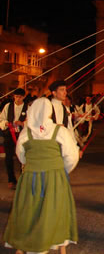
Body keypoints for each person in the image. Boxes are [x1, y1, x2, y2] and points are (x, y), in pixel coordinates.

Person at [4, 97, 79, 254]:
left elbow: (21, 156)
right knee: (55, 209)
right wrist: (60, 169)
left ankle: (28, 243)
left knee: (29, 210)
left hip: (31, 177)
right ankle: (56, 240)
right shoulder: (61, 131)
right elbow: (71, 157)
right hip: (55, 177)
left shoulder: (26, 133)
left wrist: (34, 165)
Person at [0, 88, 27, 189]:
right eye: (16, 97)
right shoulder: (8, 106)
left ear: (24, 97)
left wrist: (23, 123)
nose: (18, 99)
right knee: (8, 158)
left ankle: (23, 178)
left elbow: (32, 121)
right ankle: (11, 179)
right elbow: (1, 118)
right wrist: (5, 123)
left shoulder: (27, 107)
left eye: (20, 97)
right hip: (9, 135)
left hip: (22, 135)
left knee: (23, 157)